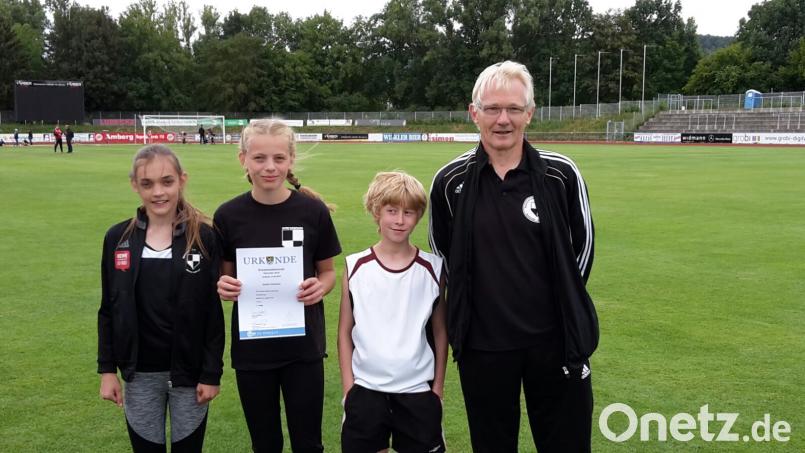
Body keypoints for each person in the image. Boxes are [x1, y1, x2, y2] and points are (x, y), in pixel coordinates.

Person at [428, 60, 598, 453]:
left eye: (514, 109)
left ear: (530, 113)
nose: (503, 119)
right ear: (474, 113)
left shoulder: (561, 174)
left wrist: (560, 308)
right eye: (492, 109)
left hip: (555, 343)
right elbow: (444, 256)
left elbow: (583, 248)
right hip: (484, 347)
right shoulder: (450, 182)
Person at [214, 119, 341, 453]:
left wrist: (321, 287)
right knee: (265, 443)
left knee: (308, 443)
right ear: (243, 159)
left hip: (303, 350)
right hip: (253, 351)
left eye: (278, 158)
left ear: (291, 159)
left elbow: (328, 272)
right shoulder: (228, 216)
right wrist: (224, 287)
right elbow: (224, 278)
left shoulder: (312, 212)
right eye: (259, 158)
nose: (269, 167)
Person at [97, 144, 226, 452]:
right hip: (139, 374)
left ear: (182, 180)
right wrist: (106, 371)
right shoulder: (118, 239)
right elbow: (109, 309)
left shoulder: (204, 237)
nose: (158, 192)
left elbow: (212, 313)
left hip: (190, 374)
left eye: (167, 181)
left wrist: (211, 373)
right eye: (147, 183)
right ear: (134, 185)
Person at [338, 171, 447, 453]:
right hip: (365, 390)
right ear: (376, 211)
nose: (400, 220)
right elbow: (344, 332)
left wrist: (437, 389)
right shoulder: (355, 266)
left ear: (419, 215)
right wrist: (349, 388)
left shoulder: (433, 269)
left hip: (417, 392)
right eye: (391, 211)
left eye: (408, 212)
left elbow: (440, 332)